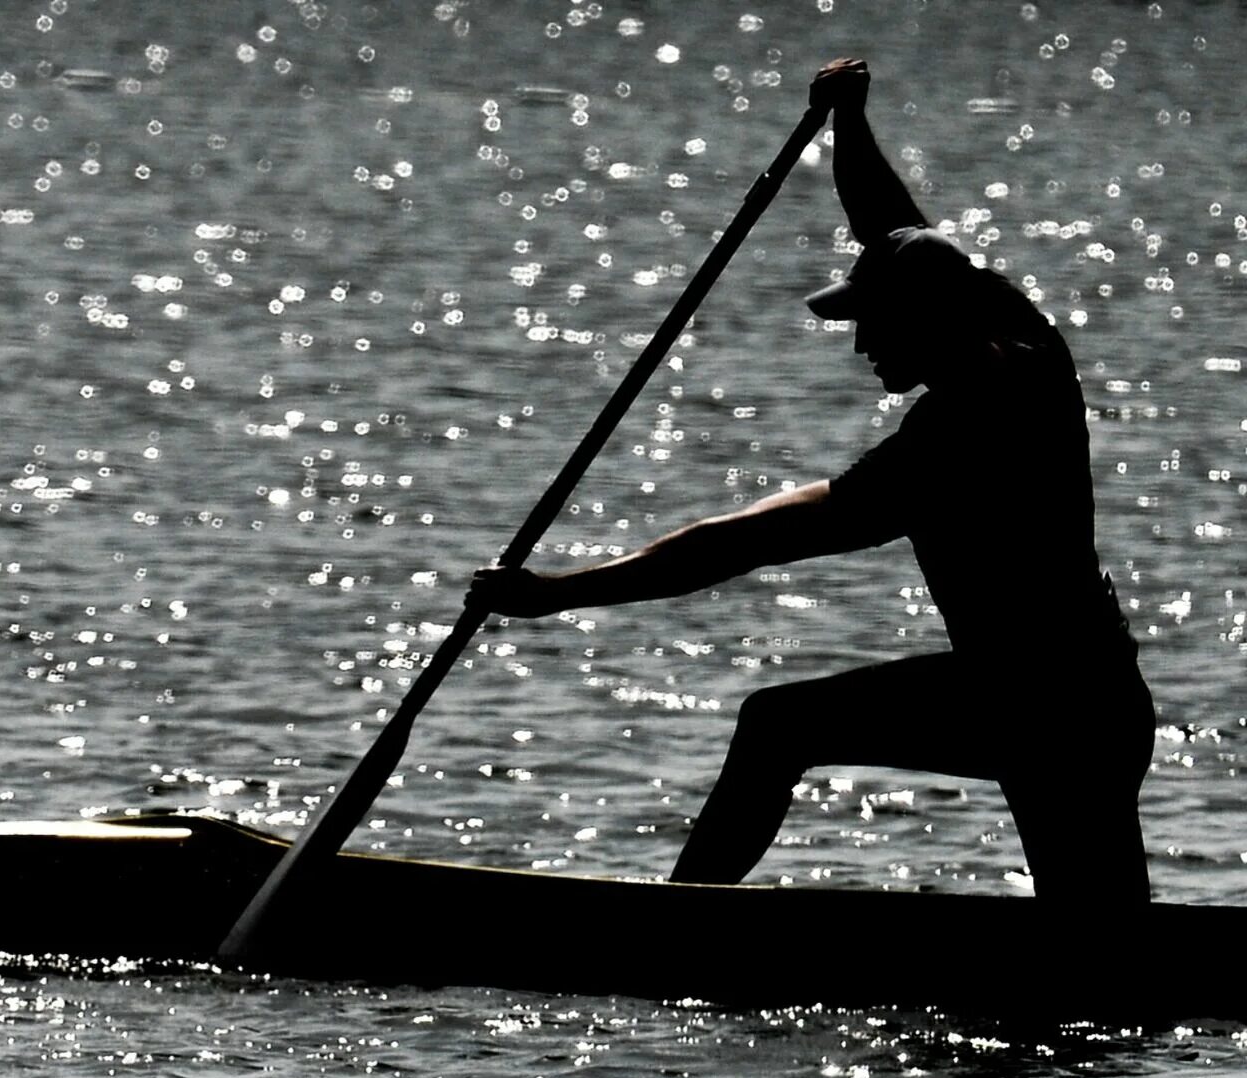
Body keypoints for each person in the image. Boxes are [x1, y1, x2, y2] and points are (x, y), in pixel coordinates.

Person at [467, 59, 1154, 906]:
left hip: (1044, 711)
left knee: (777, 724)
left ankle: (675, 935)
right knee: (1103, 955)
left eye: (872, 321)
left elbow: (750, 541)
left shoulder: (947, 442)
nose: (861, 342)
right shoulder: (1031, 349)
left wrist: (561, 593)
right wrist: (849, 121)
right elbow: (897, 226)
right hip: (1090, 704)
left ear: (926, 320)